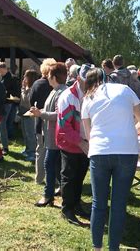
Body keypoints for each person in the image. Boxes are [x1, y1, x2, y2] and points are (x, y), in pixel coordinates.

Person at [81, 68, 140, 250]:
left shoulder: (88, 98)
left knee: (99, 203)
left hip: (100, 151)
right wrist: (130, 132)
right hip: (126, 151)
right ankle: (114, 248)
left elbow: (89, 135)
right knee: (119, 205)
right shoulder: (125, 90)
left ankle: (97, 247)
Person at [56, 64, 92, 225]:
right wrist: (80, 142)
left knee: (80, 176)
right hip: (70, 144)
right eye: (87, 81)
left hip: (86, 144)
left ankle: (76, 204)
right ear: (78, 79)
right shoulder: (67, 97)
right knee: (69, 177)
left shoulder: (93, 93)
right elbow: (64, 127)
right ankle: (67, 209)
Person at [32, 62, 68, 207]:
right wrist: (40, 111)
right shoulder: (55, 90)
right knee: (58, 165)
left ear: (54, 77)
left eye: (48, 75)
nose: (46, 77)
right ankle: (62, 191)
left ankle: (48, 196)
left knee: (49, 163)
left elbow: (59, 115)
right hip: (51, 134)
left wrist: (41, 113)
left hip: (56, 136)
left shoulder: (61, 92)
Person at [29, 59, 54, 184]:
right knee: (53, 151)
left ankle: (39, 178)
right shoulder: (55, 85)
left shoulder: (37, 84)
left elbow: (31, 100)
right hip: (52, 121)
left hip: (39, 119)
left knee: (40, 150)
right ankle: (53, 179)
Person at [0, 62, 20, 155]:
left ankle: (5, 147)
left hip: (8, 103)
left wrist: (6, 92)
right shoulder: (0, 77)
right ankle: (5, 143)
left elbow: (16, 92)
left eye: (0, 71)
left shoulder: (12, 78)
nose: (0, 73)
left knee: (3, 125)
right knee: (4, 124)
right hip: (3, 103)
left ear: (5, 69)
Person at [19, 69, 39, 162]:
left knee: (30, 133)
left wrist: (23, 89)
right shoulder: (26, 87)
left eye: (25, 76)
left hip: (29, 113)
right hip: (23, 112)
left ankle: (32, 153)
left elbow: (27, 100)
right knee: (24, 133)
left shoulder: (32, 88)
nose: (24, 78)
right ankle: (27, 149)